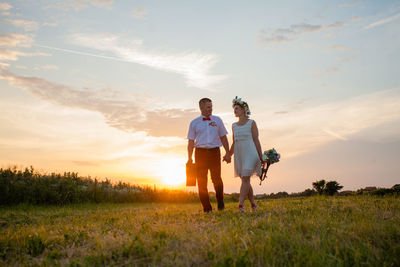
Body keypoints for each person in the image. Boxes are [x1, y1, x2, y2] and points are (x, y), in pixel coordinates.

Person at [187, 98, 231, 213]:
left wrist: (228, 152)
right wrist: (189, 158)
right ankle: (207, 209)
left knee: (217, 180)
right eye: (208, 107)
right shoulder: (194, 122)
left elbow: (223, 137)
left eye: (211, 106)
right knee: (201, 182)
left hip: (215, 152)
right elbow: (191, 142)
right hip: (200, 154)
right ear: (201, 108)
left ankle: (220, 204)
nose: (210, 109)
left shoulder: (218, 120)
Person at [226, 97, 263, 212]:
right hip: (239, 154)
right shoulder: (233, 125)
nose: (235, 110)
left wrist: (261, 157)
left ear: (243, 109)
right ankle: (253, 204)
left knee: (246, 178)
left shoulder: (252, 123)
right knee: (245, 180)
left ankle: (240, 205)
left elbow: (256, 140)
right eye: (234, 109)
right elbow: (234, 142)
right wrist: (229, 155)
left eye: (237, 108)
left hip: (251, 153)